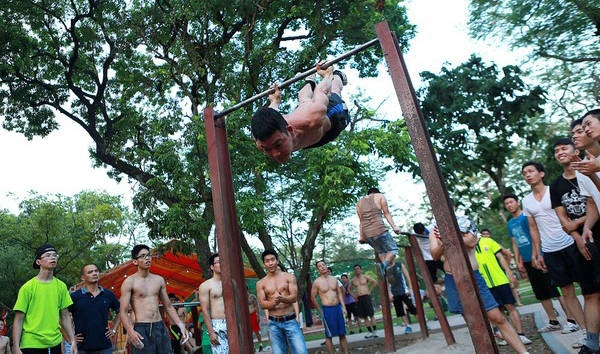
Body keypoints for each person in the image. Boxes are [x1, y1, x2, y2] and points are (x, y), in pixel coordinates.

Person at [430, 217, 530, 354]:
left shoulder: (464, 221)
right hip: (453, 279)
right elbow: (434, 255)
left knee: (497, 317)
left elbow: (472, 241)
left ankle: (524, 352)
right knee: (473, 323)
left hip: (474, 276)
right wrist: (443, 244)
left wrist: (447, 238)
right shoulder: (435, 230)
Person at [521, 161, 588, 346]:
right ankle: (585, 332)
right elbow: (533, 229)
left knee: (587, 286)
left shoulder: (555, 189)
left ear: (541, 173)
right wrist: (537, 253)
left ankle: (595, 328)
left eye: (531, 171)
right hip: (550, 250)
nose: (527, 175)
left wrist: (577, 237)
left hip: (570, 242)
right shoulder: (526, 201)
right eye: (524, 173)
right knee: (566, 292)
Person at [251, 63, 349, 163]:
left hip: (332, 119)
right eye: (267, 149)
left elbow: (322, 91)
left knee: (334, 90)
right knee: (304, 100)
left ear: (289, 129)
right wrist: (275, 101)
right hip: (312, 135)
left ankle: (338, 75)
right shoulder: (261, 141)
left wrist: (327, 75)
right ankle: (310, 81)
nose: (275, 153)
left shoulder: (313, 118)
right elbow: (271, 112)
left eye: (278, 144)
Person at [119, 244, 188, 353]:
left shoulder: (159, 280)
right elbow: (122, 312)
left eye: (148, 255)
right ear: (135, 261)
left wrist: (180, 324)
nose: (147, 258)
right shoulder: (129, 282)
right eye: (142, 256)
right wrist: (130, 331)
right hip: (141, 327)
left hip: (160, 326)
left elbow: (168, 306)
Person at [569, 114, 600, 354]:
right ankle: (591, 343)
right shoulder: (583, 168)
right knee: (590, 290)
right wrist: (587, 225)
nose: (581, 132)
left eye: (585, 126)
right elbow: (593, 202)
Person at [12, 244, 78, 354]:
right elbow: (18, 319)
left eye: (54, 255)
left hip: (55, 343)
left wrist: (73, 340)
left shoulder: (61, 286)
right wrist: (16, 347)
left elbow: (65, 316)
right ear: (38, 262)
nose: (53, 257)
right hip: (31, 343)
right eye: (48, 255)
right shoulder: (28, 287)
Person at [473, 234, 532, 345]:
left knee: (510, 306)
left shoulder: (488, 241)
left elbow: (501, 257)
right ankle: (507, 336)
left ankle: (521, 334)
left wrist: (509, 273)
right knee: (499, 311)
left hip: (500, 280)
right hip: (486, 285)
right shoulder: (468, 249)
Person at [256, 249, 307, 354]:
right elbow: (262, 304)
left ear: (277, 261)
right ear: (264, 263)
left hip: (290, 320)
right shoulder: (261, 283)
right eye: (267, 261)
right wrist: (272, 303)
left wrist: (283, 299)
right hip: (273, 323)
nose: (270, 263)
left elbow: (294, 297)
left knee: (301, 351)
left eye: (272, 260)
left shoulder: (289, 277)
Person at [70, 264, 121, 354]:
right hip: (82, 348)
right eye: (90, 272)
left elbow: (120, 311)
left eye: (96, 271)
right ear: (83, 277)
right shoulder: (75, 296)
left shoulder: (108, 294)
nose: (94, 273)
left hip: (105, 346)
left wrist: (114, 329)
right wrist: (70, 338)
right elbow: (62, 316)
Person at [356, 187, 401, 277]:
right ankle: (384, 265)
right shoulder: (380, 196)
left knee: (381, 252)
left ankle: (385, 272)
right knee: (393, 249)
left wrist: (361, 237)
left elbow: (361, 221)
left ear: (368, 194)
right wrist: (394, 227)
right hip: (380, 230)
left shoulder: (359, 202)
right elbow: (386, 213)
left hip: (368, 234)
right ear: (376, 192)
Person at [310, 260, 348, 354]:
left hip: (337, 308)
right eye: (320, 266)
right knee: (329, 336)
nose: (322, 267)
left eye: (324, 265)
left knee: (342, 334)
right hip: (327, 310)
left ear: (326, 266)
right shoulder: (317, 282)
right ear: (318, 269)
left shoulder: (334, 279)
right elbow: (313, 297)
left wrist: (343, 307)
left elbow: (339, 293)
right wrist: (320, 310)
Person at [479, 228, 523, 306]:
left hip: (500, 269)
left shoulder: (495, 244)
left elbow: (508, 254)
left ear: (490, 235)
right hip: (491, 273)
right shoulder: (479, 246)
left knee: (510, 286)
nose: (485, 235)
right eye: (484, 234)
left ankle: (518, 302)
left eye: (487, 234)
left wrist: (507, 265)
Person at [198, 254, 228, 354]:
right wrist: (211, 332)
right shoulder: (205, 286)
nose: (222, 264)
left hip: (233, 322)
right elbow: (205, 310)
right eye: (219, 262)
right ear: (212, 267)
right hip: (218, 324)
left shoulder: (230, 282)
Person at [349, 264, 378, 339]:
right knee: (364, 316)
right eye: (355, 269)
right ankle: (370, 331)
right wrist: (354, 296)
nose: (357, 270)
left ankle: (375, 331)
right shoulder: (353, 280)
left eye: (358, 268)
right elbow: (349, 289)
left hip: (366, 297)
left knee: (371, 315)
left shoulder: (365, 277)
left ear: (360, 269)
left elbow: (374, 282)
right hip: (359, 298)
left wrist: (370, 291)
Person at [387, 262, 416, 334]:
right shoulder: (386, 267)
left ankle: (423, 324)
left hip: (404, 291)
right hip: (394, 293)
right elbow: (387, 282)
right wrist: (389, 293)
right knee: (400, 311)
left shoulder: (399, 265)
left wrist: (410, 288)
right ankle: (407, 326)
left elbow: (407, 277)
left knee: (412, 308)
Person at [247, 287, 264, 352]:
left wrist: (258, 315)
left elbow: (256, 306)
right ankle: (252, 346)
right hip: (247, 316)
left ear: (247, 290)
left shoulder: (252, 297)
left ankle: (260, 344)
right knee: (249, 332)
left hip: (253, 314)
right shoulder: (242, 298)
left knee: (256, 331)